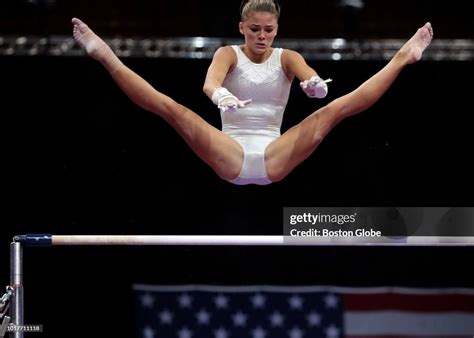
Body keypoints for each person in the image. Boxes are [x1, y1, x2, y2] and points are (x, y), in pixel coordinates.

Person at [71, 0, 433, 186]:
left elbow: (311, 80)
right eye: (255, 29)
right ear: (241, 27)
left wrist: (314, 85)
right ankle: (104, 54)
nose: (262, 36)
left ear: (277, 30)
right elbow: (210, 83)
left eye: (269, 30)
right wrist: (220, 97)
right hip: (232, 152)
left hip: (275, 154)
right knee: (173, 110)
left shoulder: (287, 57)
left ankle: (403, 57)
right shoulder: (227, 53)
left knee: (334, 111)